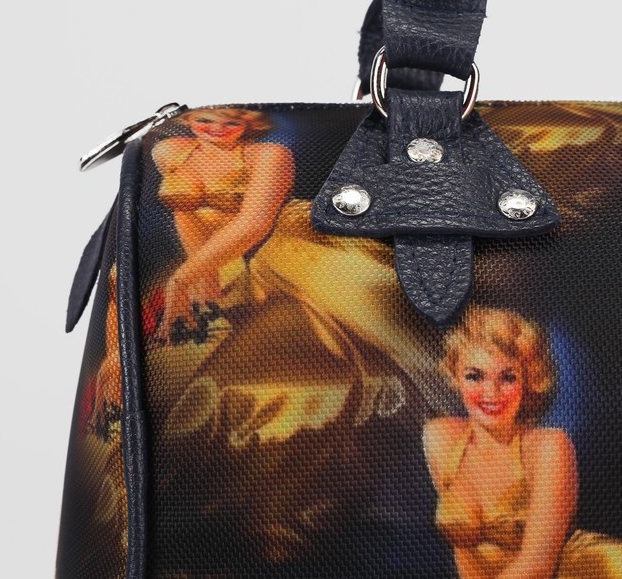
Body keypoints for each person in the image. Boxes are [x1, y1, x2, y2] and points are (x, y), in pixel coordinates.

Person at [145, 106, 448, 567]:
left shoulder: (270, 155)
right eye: (206, 121)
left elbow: (254, 224)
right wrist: (206, 274)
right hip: (228, 267)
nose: (217, 131)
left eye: (231, 122)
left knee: (359, 322)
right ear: (188, 120)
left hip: (290, 249)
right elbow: (187, 216)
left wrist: (188, 274)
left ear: (250, 122)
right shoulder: (169, 151)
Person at [423, 306, 622, 578]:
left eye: (508, 377)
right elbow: (464, 551)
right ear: (455, 375)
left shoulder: (550, 448)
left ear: (528, 380)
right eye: (474, 376)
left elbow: (537, 565)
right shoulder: (440, 437)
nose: (491, 392)